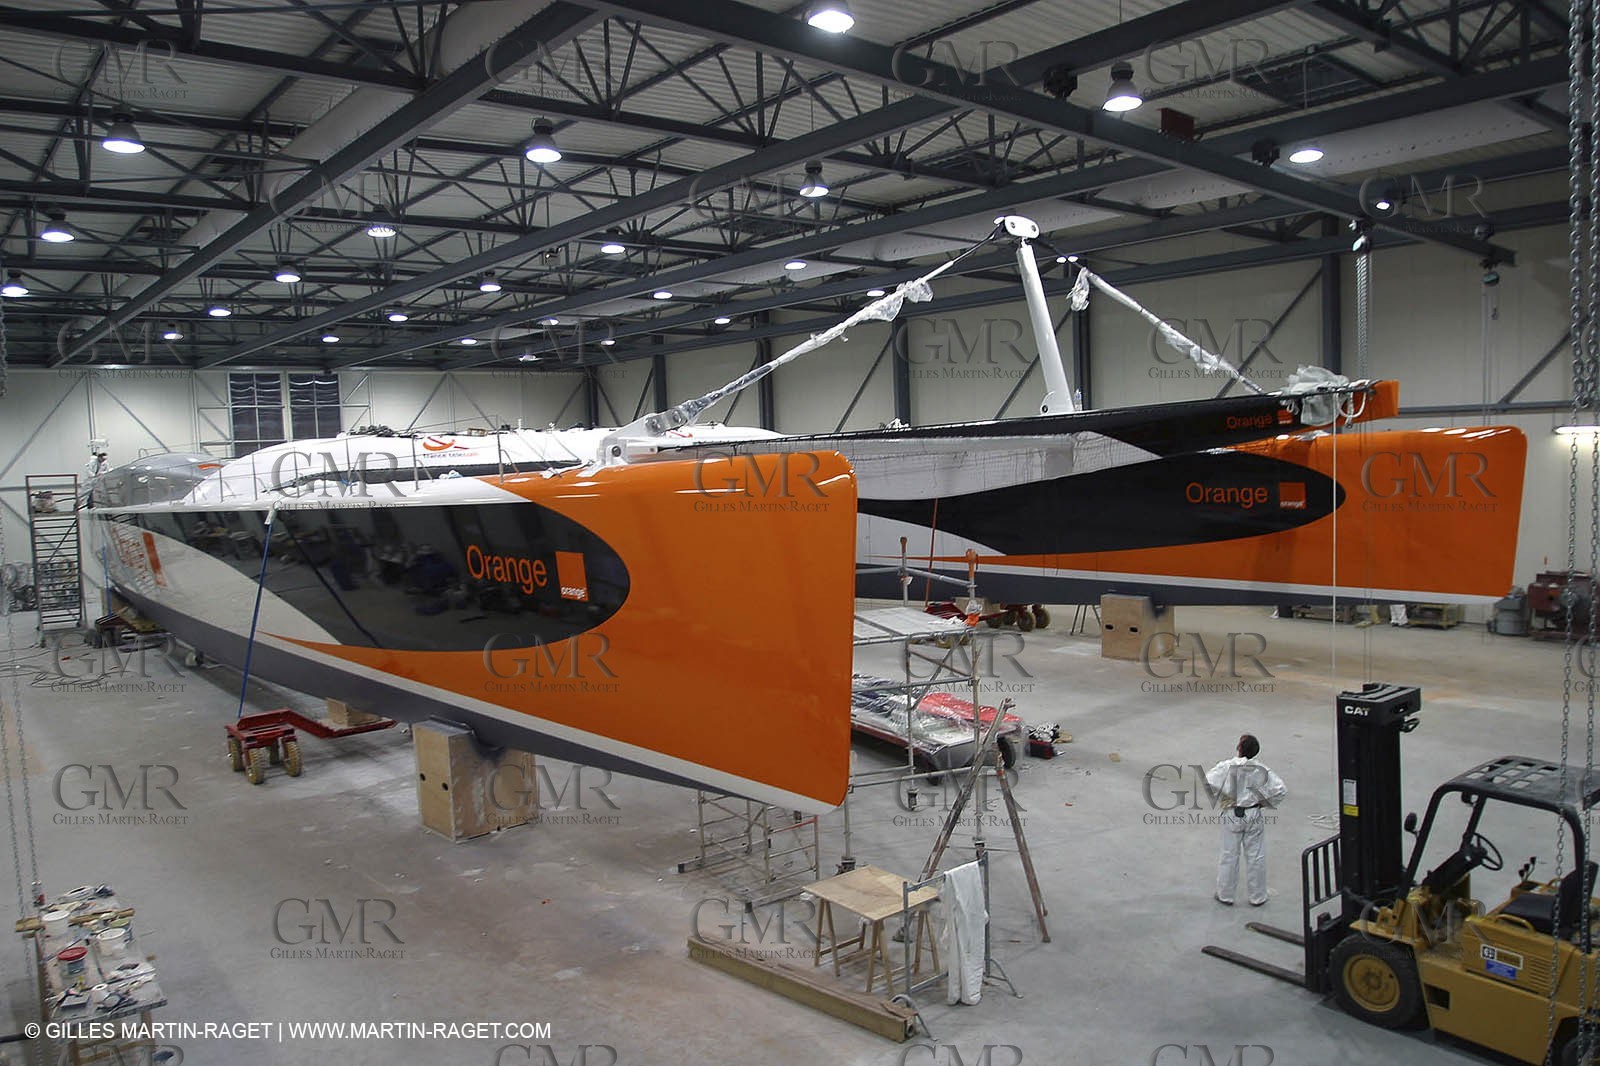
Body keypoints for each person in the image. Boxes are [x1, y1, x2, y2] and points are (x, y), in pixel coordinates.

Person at [1206, 733, 1287, 907]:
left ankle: (1225, 894)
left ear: (1239, 748)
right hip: (1253, 814)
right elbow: (1280, 790)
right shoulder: (1262, 770)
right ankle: (1257, 896)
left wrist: (1224, 798)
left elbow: (1208, 782)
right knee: (1256, 856)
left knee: (1229, 854)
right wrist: (1263, 803)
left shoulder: (1226, 766)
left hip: (1232, 813)